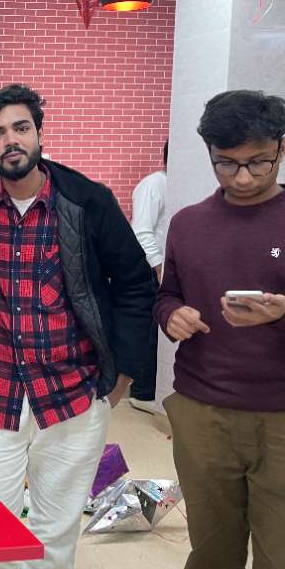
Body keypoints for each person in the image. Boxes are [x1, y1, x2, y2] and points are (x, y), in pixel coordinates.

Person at [0, 84, 154, 569]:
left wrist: (124, 374)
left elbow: (135, 284)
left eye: (20, 128)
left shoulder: (87, 201)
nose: (10, 141)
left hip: (72, 389)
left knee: (56, 519)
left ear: (40, 133)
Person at [156, 90, 285, 569]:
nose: (244, 177)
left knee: (281, 566)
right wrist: (173, 315)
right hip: (203, 412)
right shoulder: (189, 223)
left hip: (280, 418)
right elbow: (166, 294)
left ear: (280, 148)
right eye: (226, 163)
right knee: (210, 557)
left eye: (259, 162)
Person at [129, 139, 169, 412]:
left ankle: (151, 391)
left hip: (167, 270)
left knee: (161, 333)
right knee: (151, 334)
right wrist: (159, 267)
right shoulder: (154, 184)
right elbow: (141, 231)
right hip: (153, 270)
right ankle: (143, 394)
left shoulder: (174, 184)